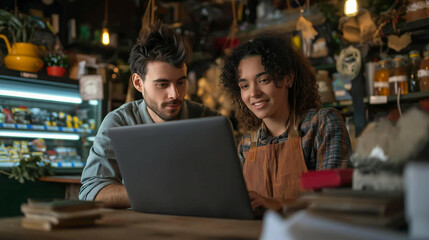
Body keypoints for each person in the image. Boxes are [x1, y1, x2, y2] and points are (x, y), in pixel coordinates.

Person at [79, 22, 218, 208]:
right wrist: (161, 193)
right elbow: (91, 192)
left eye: (181, 83)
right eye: (162, 84)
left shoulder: (209, 120)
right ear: (138, 83)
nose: (174, 94)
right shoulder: (119, 122)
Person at [219, 34, 352, 211]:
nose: (254, 93)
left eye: (263, 80)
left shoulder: (321, 124)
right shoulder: (246, 146)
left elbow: (332, 200)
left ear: (288, 78)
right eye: (244, 86)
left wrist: (279, 205)